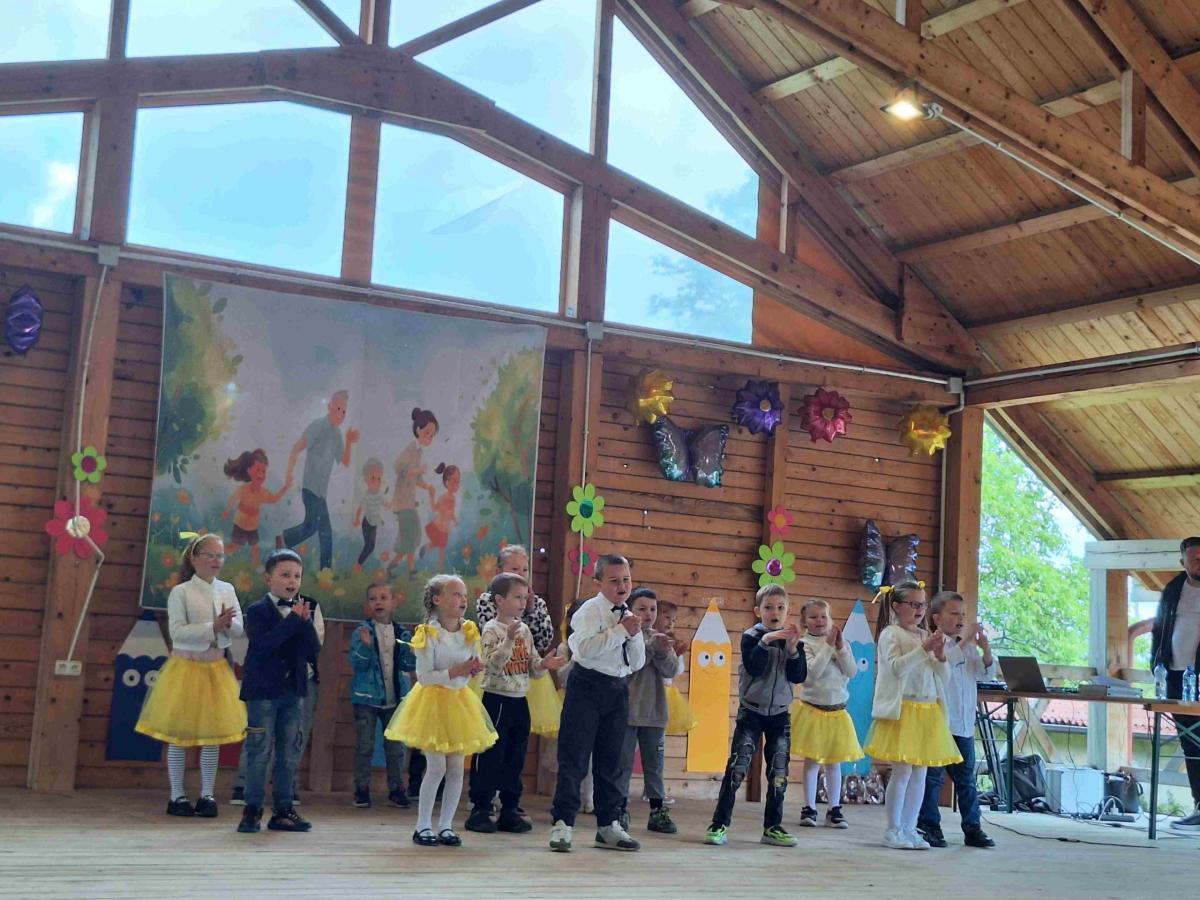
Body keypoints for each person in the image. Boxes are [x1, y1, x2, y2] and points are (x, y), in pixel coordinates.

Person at [135, 534, 246, 818]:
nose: (216, 560)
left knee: (212, 736)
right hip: (185, 669)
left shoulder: (227, 589)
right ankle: (177, 795)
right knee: (178, 735)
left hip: (216, 669)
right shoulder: (181, 592)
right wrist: (213, 626)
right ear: (194, 559)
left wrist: (228, 624)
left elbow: (239, 629)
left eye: (220, 556)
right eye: (210, 555)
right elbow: (178, 632)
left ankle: (207, 795)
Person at [384, 575, 496, 847]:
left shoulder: (469, 631)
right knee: (436, 766)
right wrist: (456, 671)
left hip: (459, 702)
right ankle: (422, 825)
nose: (463, 599)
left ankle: (446, 825)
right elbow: (424, 676)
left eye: (464, 594)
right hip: (432, 703)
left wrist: (474, 668)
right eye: (455, 594)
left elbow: (472, 664)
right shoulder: (428, 633)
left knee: (456, 768)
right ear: (437, 600)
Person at [549, 555, 646, 853]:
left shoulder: (629, 615)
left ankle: (608, 824)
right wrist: (621, 632)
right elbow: (585, 649)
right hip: (587, 685)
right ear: (598, 583)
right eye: (614, 580)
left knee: (612, 760)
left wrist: (633, 636)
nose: (622, 585)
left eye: (626, 579)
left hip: (618, 688)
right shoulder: (589, 611)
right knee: (574, 756)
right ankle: (563, 823)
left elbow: (637, 662)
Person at [703, 584, 806, 848]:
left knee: (779, 773)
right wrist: (766, 641)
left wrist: (793, 650)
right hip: (751, 712)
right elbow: (755, 667)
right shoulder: (751, 636)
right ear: (758, 611)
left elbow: (798, 676)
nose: (775, 612)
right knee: (737, 769)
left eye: (781, 608)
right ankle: (719, 824)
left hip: (779, 715)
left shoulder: (793, 640)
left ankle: (772, 827)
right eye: (769, 607)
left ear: (788, 611)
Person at [863, 581, 962, 851]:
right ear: (897, 606)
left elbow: (943, 677)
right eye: (914, 604)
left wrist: (940, 656)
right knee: (903, 771)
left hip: (928, 710)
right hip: (904, 710)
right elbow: (896, 668)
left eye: (922, 605)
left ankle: (909, 827)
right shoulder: (890, 634)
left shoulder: (925, 635)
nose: (919, 610)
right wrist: (924, 650)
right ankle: (893, 829)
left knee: (921, 772)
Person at [465, 572, 564, 834]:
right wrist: (508, 639)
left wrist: (544, 664)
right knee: (490, 755)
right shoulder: (491, 629)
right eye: (517, 597)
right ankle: (481, 808)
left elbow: (531, 667)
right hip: (496, 699)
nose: (523, 602)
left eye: (525, 597)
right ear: (499, 600)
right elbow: (492, 665)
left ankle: (510, 809)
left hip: (519, 700)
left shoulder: (525, 629)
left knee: (515, 757)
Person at [236, 549, 321, 834]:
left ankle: (283, 810)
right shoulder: (257, 610)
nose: (292, 581)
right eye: (285, 575)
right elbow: (264, 646)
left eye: (297, 576)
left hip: (293, 692)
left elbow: (312, 650)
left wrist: (305, 623)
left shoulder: (301, 611)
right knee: (259, 750)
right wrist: (294, 621)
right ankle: (252, 810)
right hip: (263, 692)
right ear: (268, 579)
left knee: (289, 752)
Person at [916, 591, 996, 849]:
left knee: (967, 781)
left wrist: (985, 649)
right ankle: (929, 826)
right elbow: (946, 665)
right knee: (933, 779)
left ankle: (973, 828)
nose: (960, 619)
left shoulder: (968, 646)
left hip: (964, 724)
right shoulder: (933, 643)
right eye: (954, 614)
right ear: (937, 618)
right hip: (941, 722)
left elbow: (986, 675)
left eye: (963, 614)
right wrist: (967, 641)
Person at [791, 598, 861, 830]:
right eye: (813, 617)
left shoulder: (841, 642)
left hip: (837, 712)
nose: (819, 621)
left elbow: (851, 671)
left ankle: (834, 809)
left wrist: (840, 648)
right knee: (812, 762)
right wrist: (828, 646)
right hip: (813, 711)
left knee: (834, 763)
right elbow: (812, 675)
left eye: (824, 616)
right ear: (804, 621)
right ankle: (809, 808)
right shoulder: (804, 644)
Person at [349, 581, 416, 809]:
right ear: (368, 604)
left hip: (394, 697)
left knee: (396, 748)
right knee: (365, 745)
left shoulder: (402, 633)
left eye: (383, 598)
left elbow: (407, 666)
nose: (378, 602)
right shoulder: (362, 631)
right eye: (373, 599)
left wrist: (412, 653)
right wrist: (366, 646)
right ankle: (361, 789)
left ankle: (396, 789)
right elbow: (357, 663)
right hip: (366, 698)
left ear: (393, 602)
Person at [618, 587, 679, 835]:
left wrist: (662, 651)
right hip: (626, 712)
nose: (648, 614)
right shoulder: (623, 635)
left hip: (654, 713)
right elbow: (629, 665)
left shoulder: (659, 637)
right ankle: (619, 809)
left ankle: (657, 810)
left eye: (652, 609)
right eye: (642, 609)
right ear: (630, 610)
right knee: (622, 763)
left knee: (654, 765)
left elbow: (671, 670)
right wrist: (649, 648)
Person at [1151, 536, 1200, 832]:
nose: (1199, 563)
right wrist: (1156, 663)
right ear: (1183, 562)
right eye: (1194, 559)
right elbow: (1159, 629)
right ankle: (1199, 805)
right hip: (1175, 678)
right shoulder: (1172, 590)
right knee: (1190, 742)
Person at [279, 390, 359, 572]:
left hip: (321, 492)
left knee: (325, 533)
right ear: (329, 407)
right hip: (310, 488)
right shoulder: (319, 426)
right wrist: (289, 473)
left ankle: (325, 572)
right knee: (312, 526)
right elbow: (296, 448)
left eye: (344, 411)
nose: (341, 414)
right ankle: (284, 539)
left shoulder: (337, 434)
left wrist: (348, 442)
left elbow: (345, 461)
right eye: (338, 409)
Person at [388, 408, 438, 579]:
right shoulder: (410, 449)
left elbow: (416, 478)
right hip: (403, 502)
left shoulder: (418, 452)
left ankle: (393, 567)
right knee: (411, 536)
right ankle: (411, 571)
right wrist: (418, 470)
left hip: (408, 502)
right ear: (418, 430)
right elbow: (399, 467)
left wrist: (427, 486)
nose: (429, 438)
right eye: (427, 433)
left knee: (412, 536)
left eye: (432, 435)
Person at [221, 449, 291, 566]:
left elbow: (274, 499)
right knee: (235, 546)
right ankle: (217, 552)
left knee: (255, 547)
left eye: (263, 471)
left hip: (252, 527)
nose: (261, 474)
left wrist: (285, 488)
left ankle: (256, 565)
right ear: (249, 471)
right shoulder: (244, 489)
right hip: (240, 524)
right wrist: (227, 511)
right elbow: (233, 498)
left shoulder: (263, 492)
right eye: (258, 470)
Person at [420, 463, 460, 571]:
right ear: (447, 482)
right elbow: (435, 508)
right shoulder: (443, 497)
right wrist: (431, 496)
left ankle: (439, 567)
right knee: (436, 545)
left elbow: (451, 513)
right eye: (454, 481)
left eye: (458, 482)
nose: (456, 485)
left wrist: (455, 521)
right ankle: (426, 549)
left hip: (445, 530)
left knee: (441, 549)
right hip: (438, 527)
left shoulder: (453, 498)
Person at [352, 457, 388, 572]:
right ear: (366, 480)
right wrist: (357, 519)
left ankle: (359, 563)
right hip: (367, 523)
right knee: (370, 545)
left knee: (371, 545)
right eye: (372, 478)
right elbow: (360, 508)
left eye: (379, 478)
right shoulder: (367, 495)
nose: (376, 482)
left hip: (374, 524)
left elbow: (385, 503)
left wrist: (391, 505)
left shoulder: (380, 495)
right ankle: (358, 563)